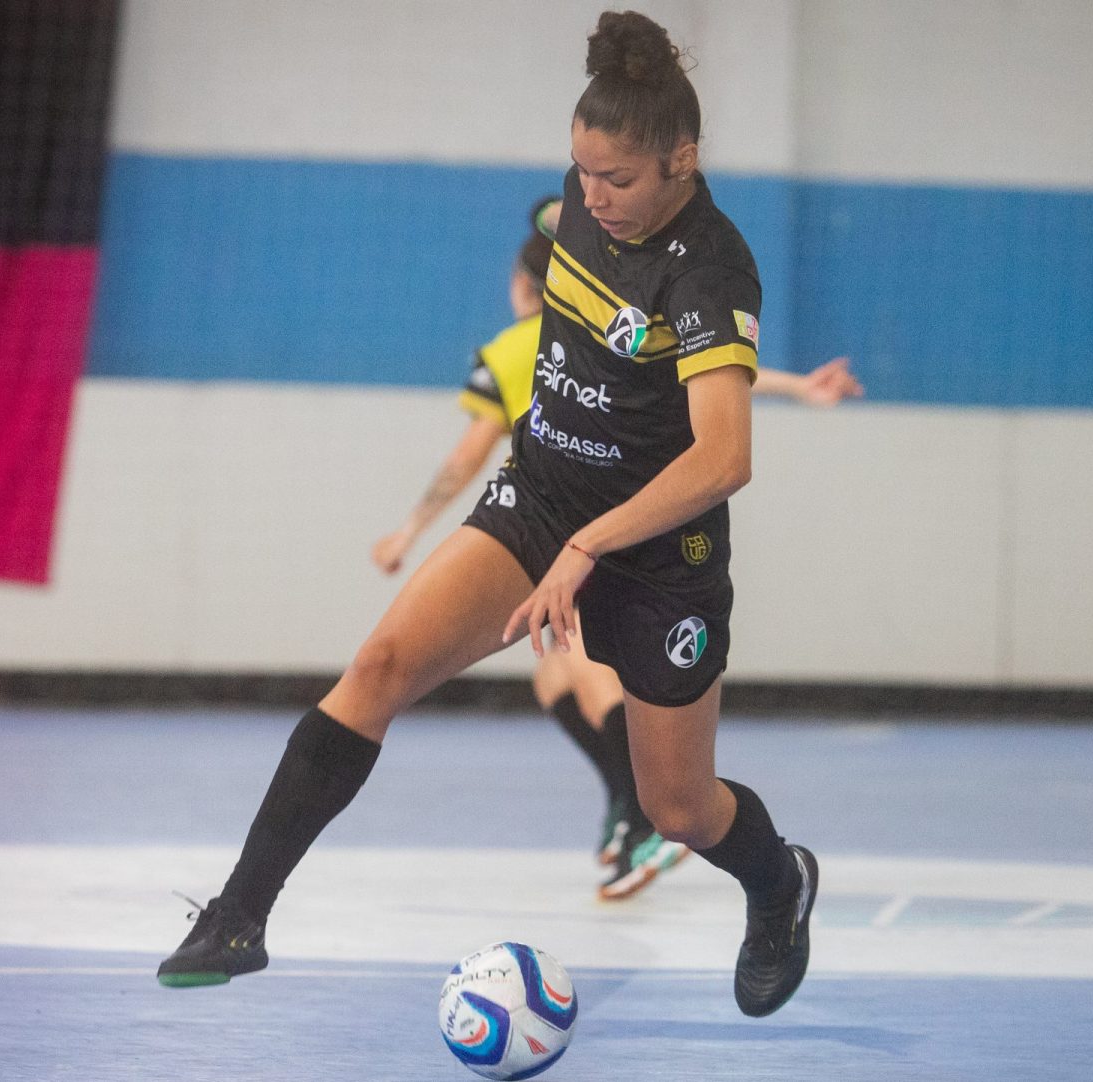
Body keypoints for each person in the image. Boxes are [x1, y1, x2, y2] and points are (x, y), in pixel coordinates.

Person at [159, 9, 823, 1019]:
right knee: (380, 666)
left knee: (677, 807)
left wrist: (592, 545)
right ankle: (239, 915)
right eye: (581, 172)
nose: (592, 198)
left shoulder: (709, 269)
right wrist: (561, 528)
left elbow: (725, 457)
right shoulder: (584, 203)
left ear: (682, 159)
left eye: (618, 179)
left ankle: (778, 882)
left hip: (658, 548)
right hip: (542, 494)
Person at [371, 207, 860, 902]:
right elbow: (716, 366)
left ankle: (646, 814)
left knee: (586, 670)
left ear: (523, 284)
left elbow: (463, 460)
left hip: (581, 533)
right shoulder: (612, 328)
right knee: (554, 679)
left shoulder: (520, 347)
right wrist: (800, 387)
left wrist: (409, 530)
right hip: (622, 528)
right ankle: (629, 806)